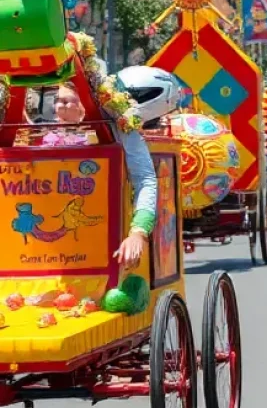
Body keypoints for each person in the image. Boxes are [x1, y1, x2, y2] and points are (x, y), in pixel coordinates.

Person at [50, 69, 180, 266]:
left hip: (102, 225)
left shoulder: (122, 130)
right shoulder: (44, 133)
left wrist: (138, 232)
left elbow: (145, 179)